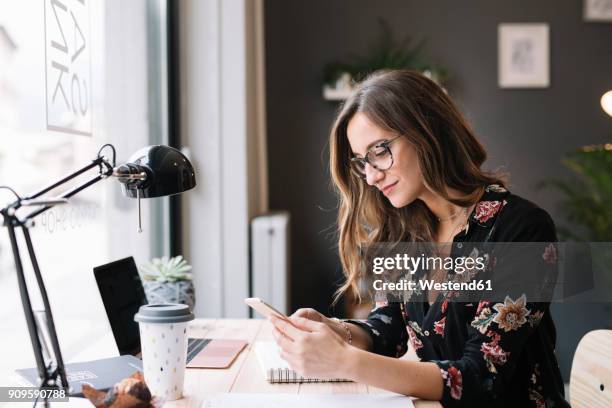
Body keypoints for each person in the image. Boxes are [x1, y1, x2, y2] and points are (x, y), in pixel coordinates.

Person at [269, 70, 568, 407]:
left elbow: (480, 378)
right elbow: (389, 331)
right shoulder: (404, 232)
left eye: (379, 151)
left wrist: (343, 360)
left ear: (428, 131)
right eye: (361, 162)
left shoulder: (522, 229)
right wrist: (340, 332)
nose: (370, 176)